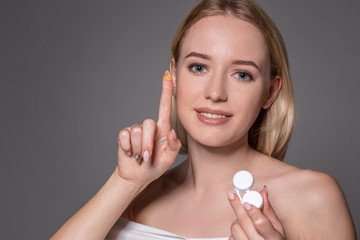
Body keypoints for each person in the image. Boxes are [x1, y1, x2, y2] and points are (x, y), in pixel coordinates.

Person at [51, 0, 356, 239]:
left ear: (270, 92)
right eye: (198, 68)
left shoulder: (314, 199)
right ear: (174, 74)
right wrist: (124, 182)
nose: (215, 93)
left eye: (242, 74)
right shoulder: (136, 198)